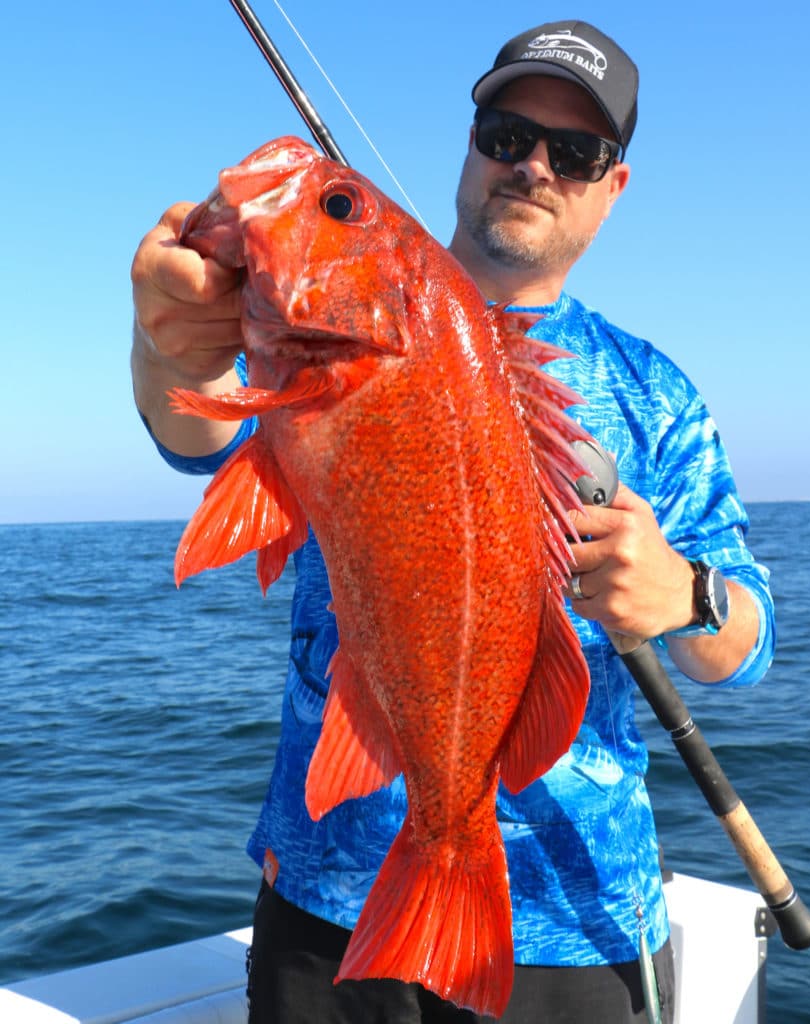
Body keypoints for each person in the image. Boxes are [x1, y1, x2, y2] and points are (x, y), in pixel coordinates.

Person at [130, 19, 775, 1024]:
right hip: (329, 900)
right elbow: (197, 424)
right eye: (508, 133)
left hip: (578, 921)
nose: (534, 167)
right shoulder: (319, 333)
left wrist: (684, 594)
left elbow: (748, 644)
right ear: (470, 144)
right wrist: (164, 343)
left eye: (576, 151)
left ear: (615, 186)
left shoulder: (659, 394)